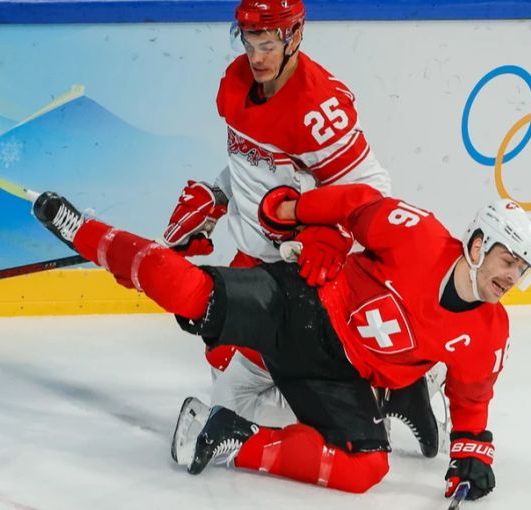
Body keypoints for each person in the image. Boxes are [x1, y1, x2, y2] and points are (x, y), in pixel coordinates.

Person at [31, 182, 531, 499]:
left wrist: (471, 456)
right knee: (195, 294)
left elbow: (472, 396)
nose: (511, 277)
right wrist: (299, 212)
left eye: (521, 269)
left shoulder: (490, 331)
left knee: (367, 468)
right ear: (477, 244)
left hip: (341, 376)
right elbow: (358, 204)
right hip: (307, 309)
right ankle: (85, 231)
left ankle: (237, 437)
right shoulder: (419, 235)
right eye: (507, 261)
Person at [160, 0, 441, 459]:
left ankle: (378, 396)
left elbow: (371, 189)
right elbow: (256, 164)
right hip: (253, 256)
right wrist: (217, 198)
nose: (257, 57)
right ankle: (387, 392)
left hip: (296, 270)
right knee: (222, 361)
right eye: (249, 42)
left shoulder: (318, 107)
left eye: (268, 45)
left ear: (294, 38)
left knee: (236, 400)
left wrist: (332, 234)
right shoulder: (237, 82)